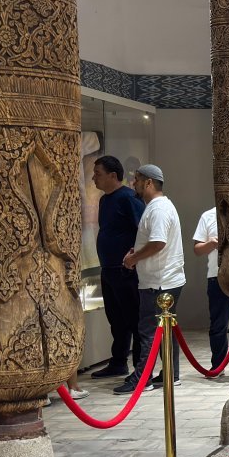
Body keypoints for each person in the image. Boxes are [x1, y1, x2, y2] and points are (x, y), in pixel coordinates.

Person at [114, 164, 184, 394]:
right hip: (164, 279)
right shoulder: (158, 207)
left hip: (159, 281)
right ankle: (171, 374)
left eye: (137, 179)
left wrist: (134, 259)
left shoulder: (158, 209)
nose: (133, 183)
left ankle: (141, 379)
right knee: (164, 330)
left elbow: (158, 243)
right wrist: (137, 252)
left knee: (148, 331)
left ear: (149, 183)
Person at [90, 155, 144, 379]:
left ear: (113, 175)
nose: (94, 178)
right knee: (116, 319)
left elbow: (142, 230)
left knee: (133, 319)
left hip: (125, 270)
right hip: (108, 269)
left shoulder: (128, 198)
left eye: (98, 174)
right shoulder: (105, 200)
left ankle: (140, 367)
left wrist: (133, 258)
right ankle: (118, 361)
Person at [192, 206, 229, 369]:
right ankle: (217, 366)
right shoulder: (208, 215)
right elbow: (197, 249)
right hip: (217, 274)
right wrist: (211, 243)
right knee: (218, 324)